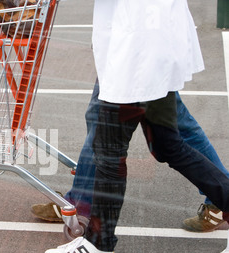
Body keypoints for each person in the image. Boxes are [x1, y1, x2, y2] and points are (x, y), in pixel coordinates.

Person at [44, 0, 229, 253]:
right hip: (152, 40)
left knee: (109, 151)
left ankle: (99, 243)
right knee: (168, 146)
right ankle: (96, 236)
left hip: (136, 48)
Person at [32, 82, 229, 233]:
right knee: (176, 130)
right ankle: (81, 203)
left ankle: (81, 206)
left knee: (105, 120)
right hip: (135, 48)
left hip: (136, 49)